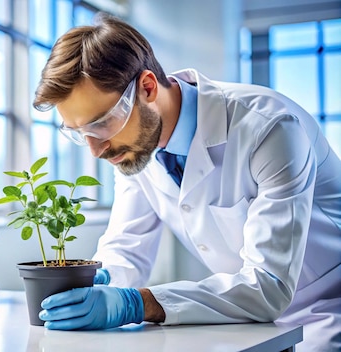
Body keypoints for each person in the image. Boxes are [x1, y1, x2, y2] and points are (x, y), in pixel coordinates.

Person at [32, 13, 341, 352]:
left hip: (325, 312)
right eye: (80, 133)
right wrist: (100, 283)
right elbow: (126, 248)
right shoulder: (135, 145)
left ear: (147, 88)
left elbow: (268, 286)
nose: (95, 149)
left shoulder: (269, 128)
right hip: (247, 321)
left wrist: (138, 304)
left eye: (101, 124)